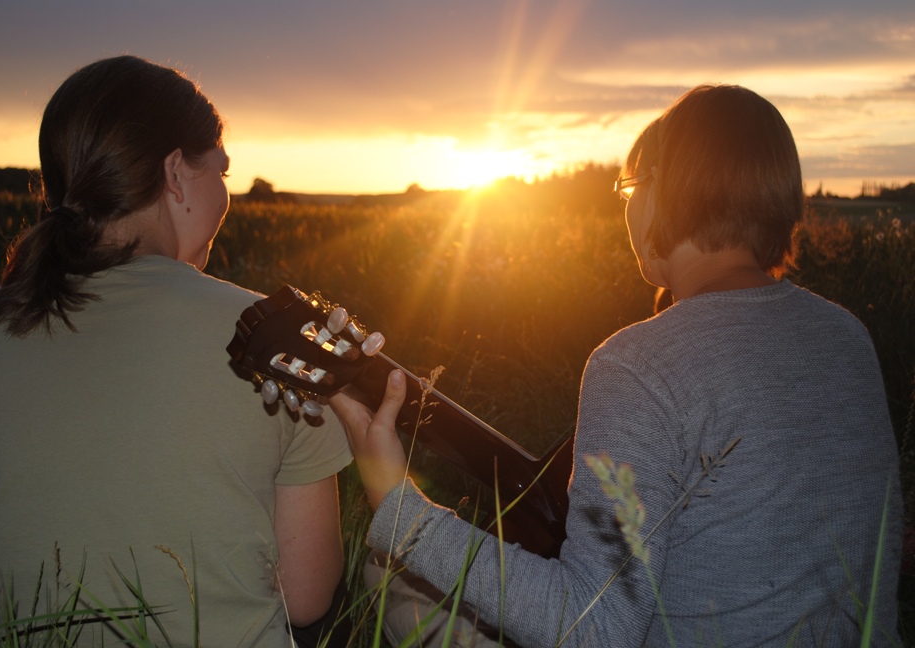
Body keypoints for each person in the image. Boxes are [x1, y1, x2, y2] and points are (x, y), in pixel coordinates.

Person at [330, 85, 903, 647]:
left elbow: (593, 628)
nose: (628, 208)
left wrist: (402, 509)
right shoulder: (846, 335)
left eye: (628, 188)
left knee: (389, 578)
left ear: (662, 190)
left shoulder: (636, 364)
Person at [0, 56, 352, 647]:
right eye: (223, 174)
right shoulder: (274, 343)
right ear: (174, 174)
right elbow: (309, 593)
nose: (225, 196)